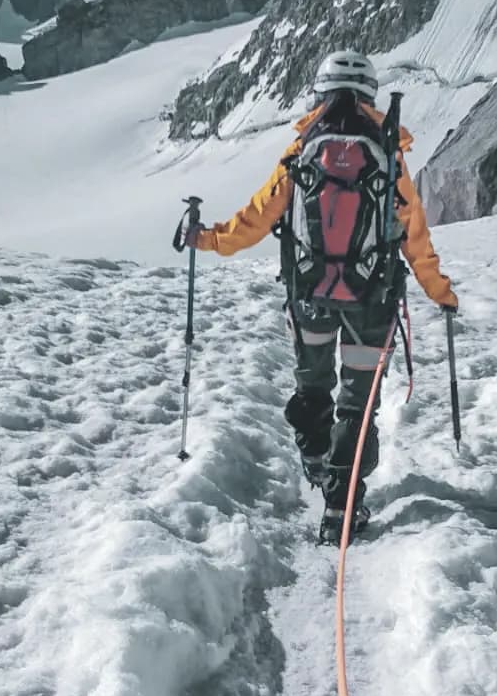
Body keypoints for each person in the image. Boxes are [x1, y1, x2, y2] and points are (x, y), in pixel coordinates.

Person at [185, 49, 460, 541]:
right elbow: (415, 238)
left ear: (320, 91)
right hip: (372, 303)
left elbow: (253, 222)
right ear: (371, 94)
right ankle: (341, 505)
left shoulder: (302, 153)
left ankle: (316, 460)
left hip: (310, 296)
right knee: (357, 406)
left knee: (314, 389)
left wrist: (205, 238)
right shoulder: (387, 154)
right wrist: (441, 295)